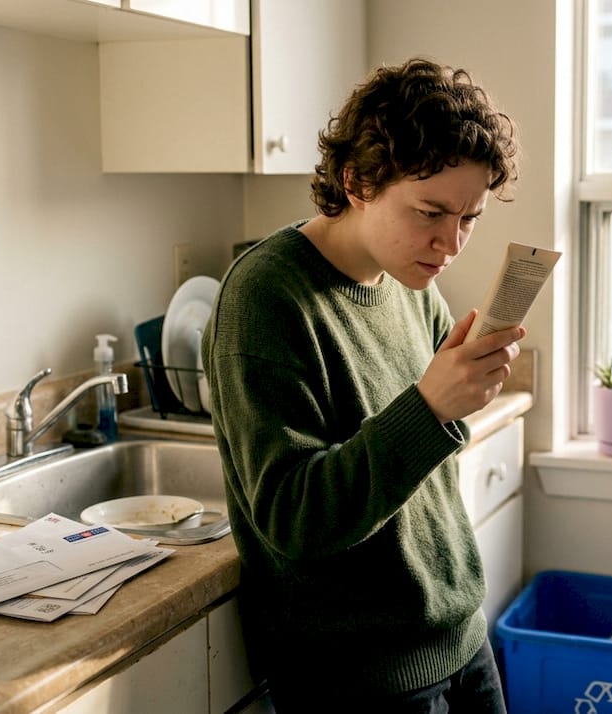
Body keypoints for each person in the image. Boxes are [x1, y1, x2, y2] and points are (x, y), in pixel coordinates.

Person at [200, 57, 523, 712]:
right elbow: (293, 518)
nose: (451, 244)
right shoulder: (267, 297)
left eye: (469, 218)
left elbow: (418, 465)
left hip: (460, 636)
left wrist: (458, 397)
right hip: (361, 681)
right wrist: (433, 409)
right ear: (356, 182)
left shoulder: (411, 285)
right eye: (431, 212)